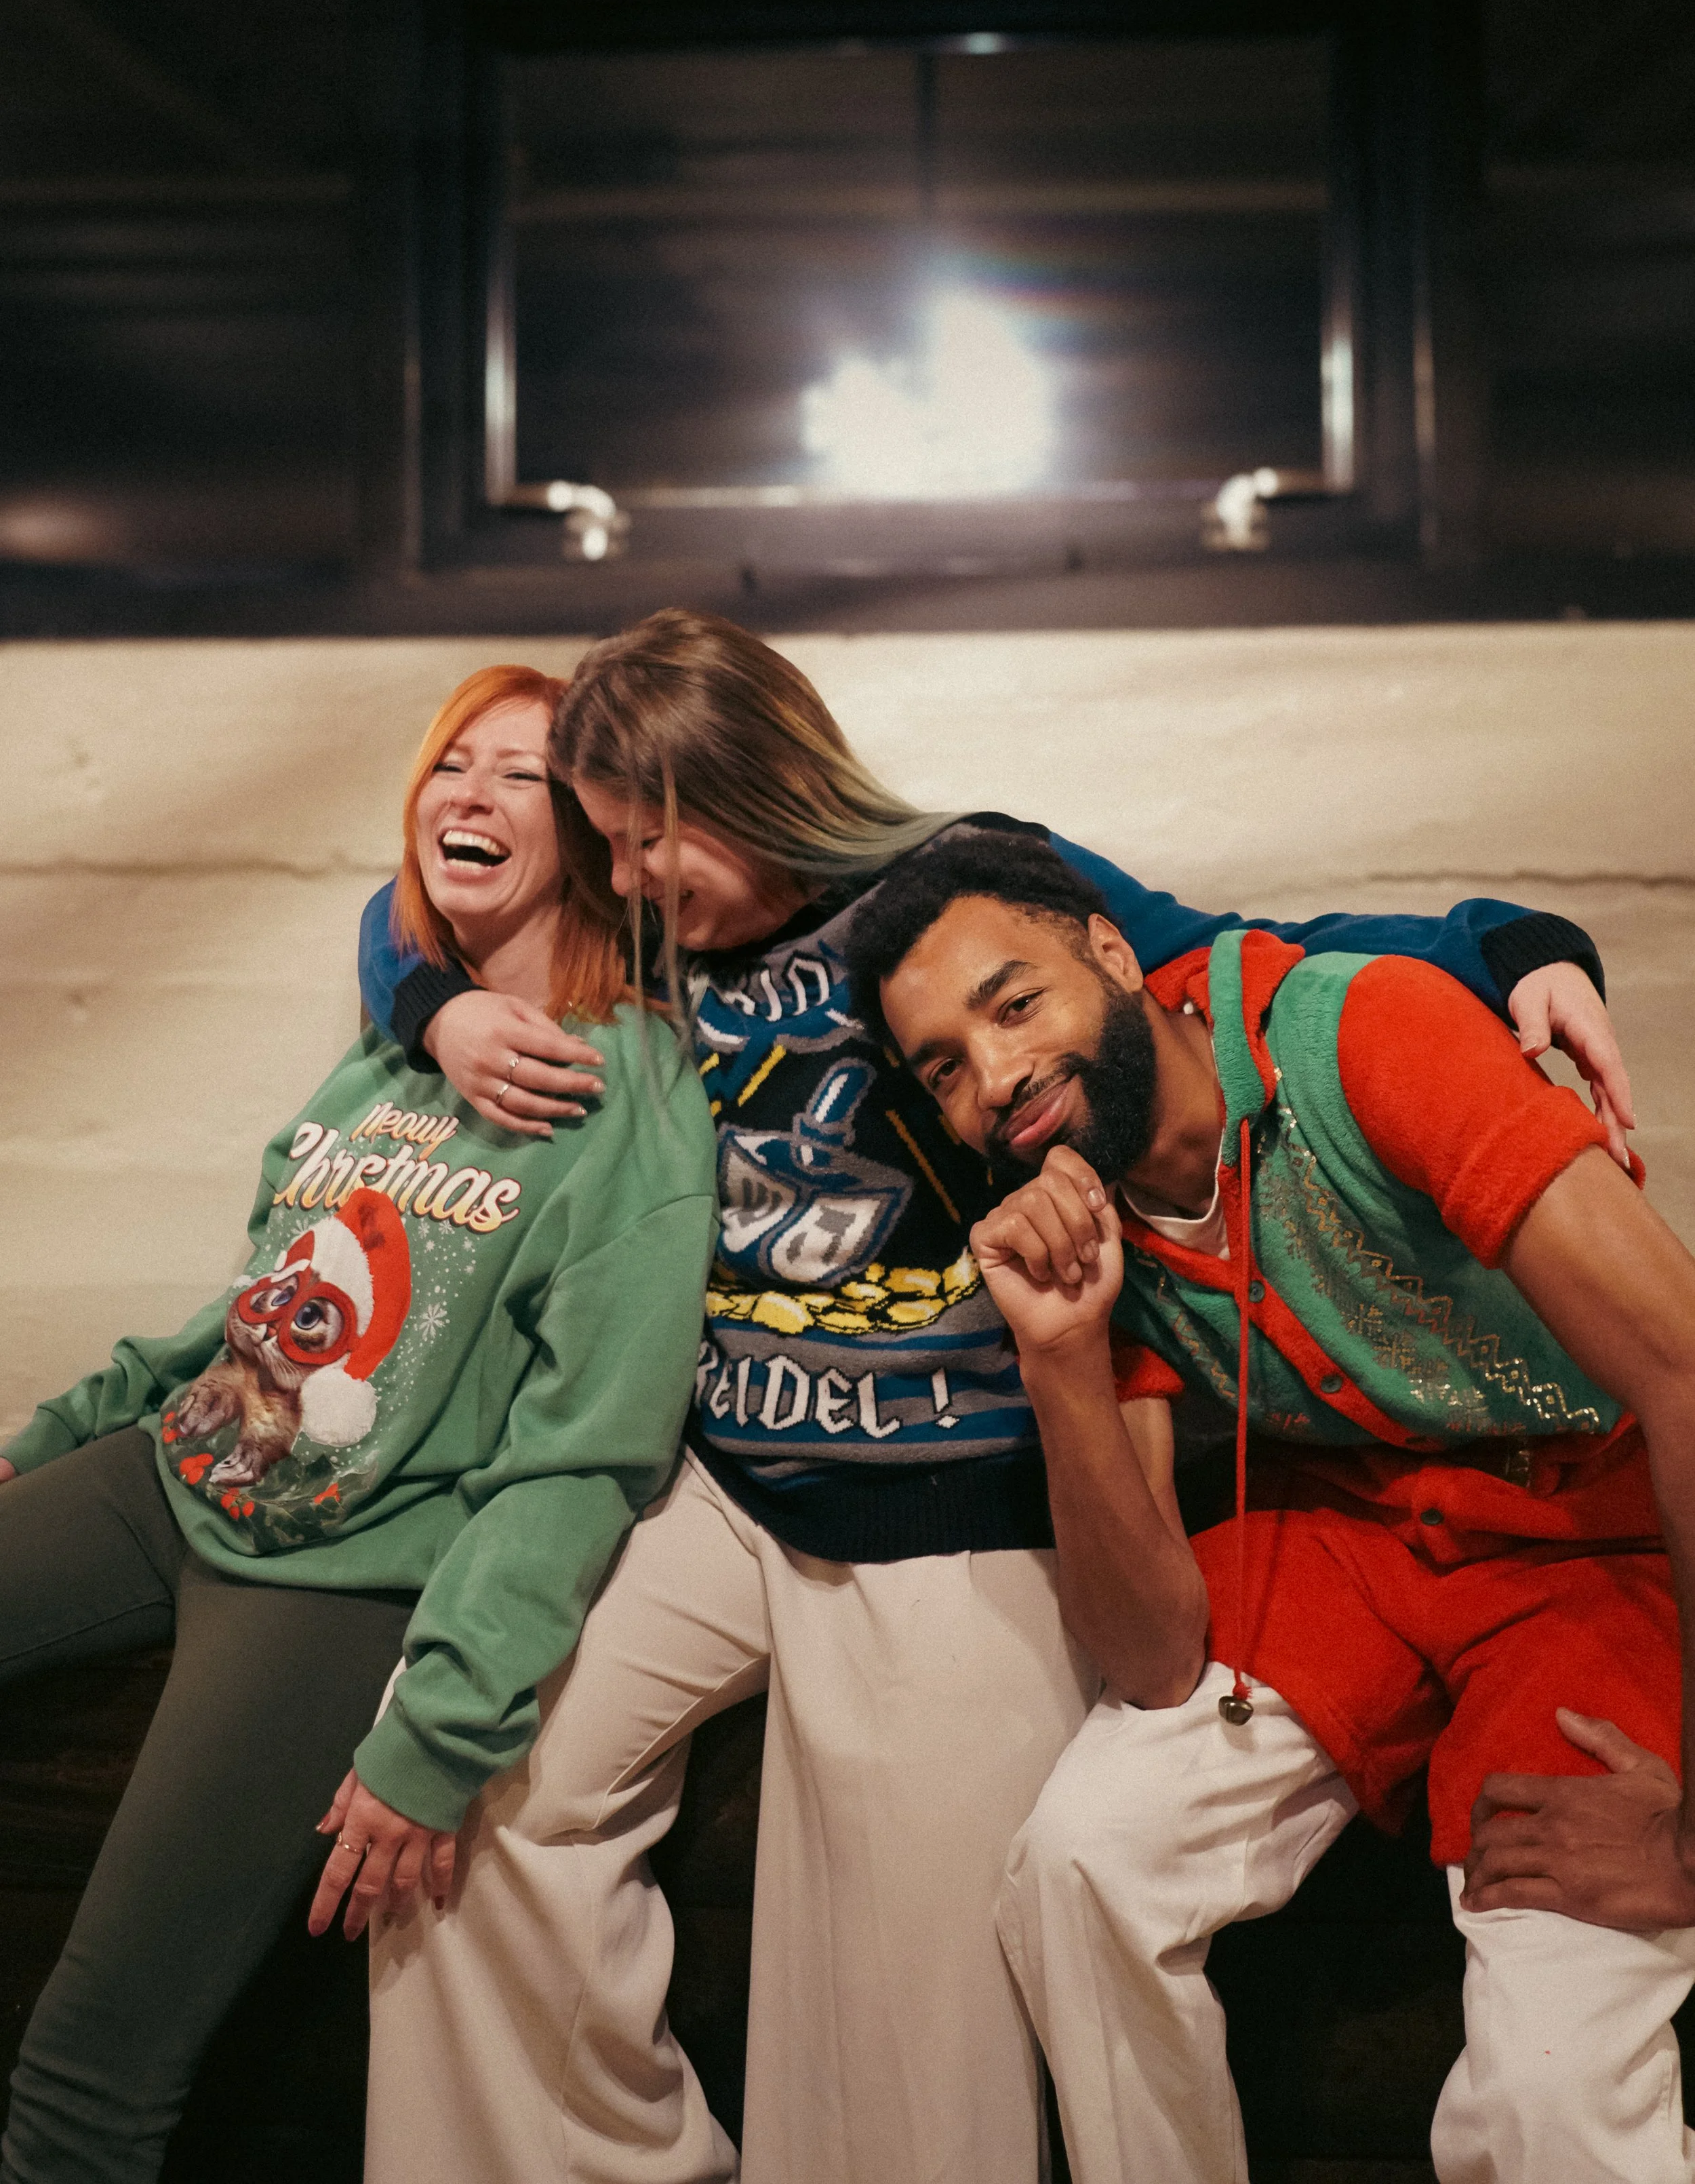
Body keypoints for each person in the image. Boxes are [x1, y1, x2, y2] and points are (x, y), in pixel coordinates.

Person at [350, 610, 1636, 2184]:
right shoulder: (648, 934)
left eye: (642, 840)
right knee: (475, 1786)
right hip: (726, 1479)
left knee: (909, 2022)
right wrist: (432, 1010)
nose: (618, 878)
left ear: (745, 787)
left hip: (949, 1499)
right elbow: (411, 910)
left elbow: (1236, 947)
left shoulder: (955, 887)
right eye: (602, 845)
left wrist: (1517, 944)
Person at [846, 827, 1695, 2184]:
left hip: (1586, 1534)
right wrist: (1063, 1356)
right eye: (944, 1067)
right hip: (1348, 1525)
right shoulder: (1076, 1212)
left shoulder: (1364, 1032)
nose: (995, 1079)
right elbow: (1151, 1657)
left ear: (1112, 953)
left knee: (1552, 2091)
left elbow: (1682, 1366)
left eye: (1014, 1005)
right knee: (1078, 1866)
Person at [0, 664, 717, 2184]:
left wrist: (444, 1728)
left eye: (519, 773)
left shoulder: (635, 1099)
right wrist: (54, 1433)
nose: (470, 792)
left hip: (334, 1580)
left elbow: (586, 1453)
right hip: (171, 1473)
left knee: (88, 2064)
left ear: (589, 829)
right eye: (452, 762)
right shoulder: (400, 1044)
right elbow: (259, 1297)